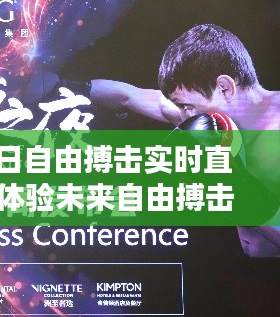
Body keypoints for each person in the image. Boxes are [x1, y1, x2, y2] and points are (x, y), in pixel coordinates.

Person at [88, 23, 280, 258]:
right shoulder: (205, 117)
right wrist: (68, 86)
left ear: (224, 87)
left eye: (187, 106)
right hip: (242, 265)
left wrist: (234, 186)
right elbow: (127, 96)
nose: (184, 116)